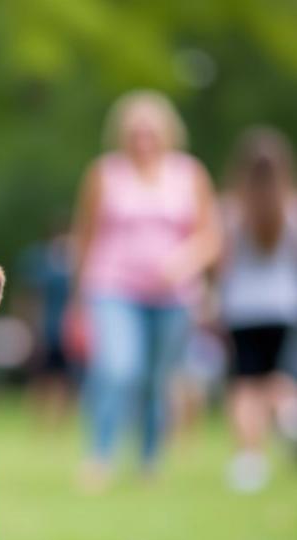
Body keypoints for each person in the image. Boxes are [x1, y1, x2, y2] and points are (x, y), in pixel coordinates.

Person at [71, 90, 221, 488]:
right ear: (122, 135)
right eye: (135, 133)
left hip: (174, 297)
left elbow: (211, 235)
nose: (143, 141)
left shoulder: (189, 174)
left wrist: (187, 259)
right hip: (112, 287)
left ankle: (150, 461)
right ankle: (99, 457)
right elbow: (84, 237)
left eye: (151, 132)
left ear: (168, 133)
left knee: (158, 380)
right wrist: (77, 298)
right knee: (119, 367)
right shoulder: (105, 173)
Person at [216, 127, 297, 492]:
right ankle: (287, 421)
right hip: (283, 306)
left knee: (245, 386)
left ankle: (250, 458)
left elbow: (221, 263)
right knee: (278, 382)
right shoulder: (291, 209)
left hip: (241, 309)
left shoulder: (231, 211)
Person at [19, 216, 75, 423]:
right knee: (41, 374)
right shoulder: (40, 262)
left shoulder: (74, 265)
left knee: (65, 376)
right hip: (43, 328)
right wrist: (30, 325)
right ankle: (39, 418)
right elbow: (29, 296)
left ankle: (59, 420)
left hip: (66, 330)